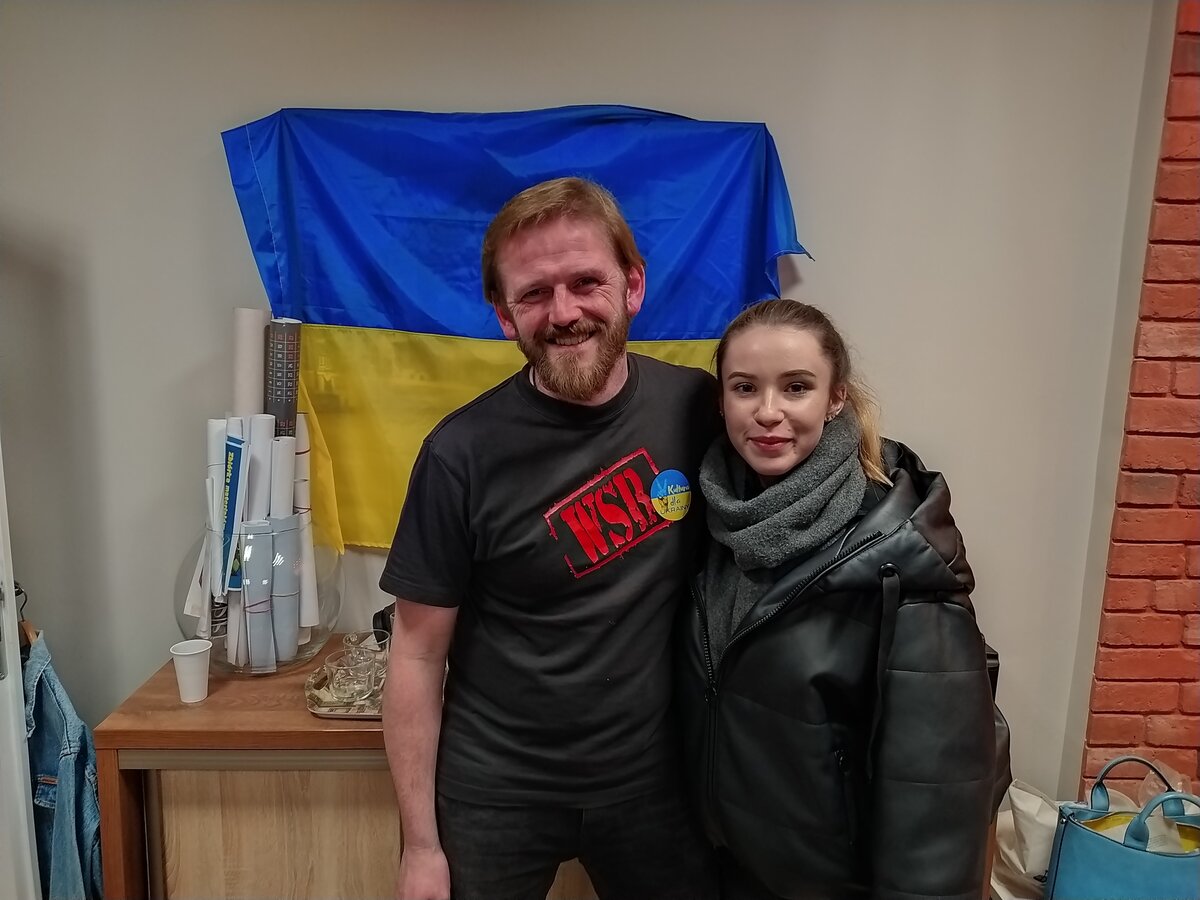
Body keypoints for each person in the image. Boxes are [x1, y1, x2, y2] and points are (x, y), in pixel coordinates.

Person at [378, 177, 720, 900]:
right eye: (534, 294)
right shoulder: (458, 455)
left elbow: (804, 446)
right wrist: (420, 848)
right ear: (504, 315)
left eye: (586, 282)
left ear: (632, 286)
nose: (564, 313)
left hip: (655, 784)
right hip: (494, 788)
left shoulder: (699, 409)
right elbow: (416, 655)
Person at [677, 298, 998, 900]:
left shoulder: (899, 553)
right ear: (721, 401)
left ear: (835, 398)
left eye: (796, 387)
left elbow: (937, 793)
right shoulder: (709, 523)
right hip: (719, 868)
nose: (768, 412)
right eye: (745, 387)